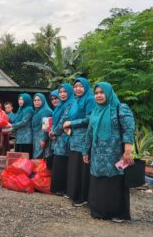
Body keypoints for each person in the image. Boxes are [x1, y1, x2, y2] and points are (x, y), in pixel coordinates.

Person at [84, 82, 135, 222]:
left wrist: (127, 151)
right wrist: (85, 151)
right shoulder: (95, 110)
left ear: (108, 93)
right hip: (97, 154)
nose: (98, 95)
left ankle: (116, 213)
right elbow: (89, 132)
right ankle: (99, 211)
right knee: (98, 181)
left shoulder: (120, 108)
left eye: (101, 92)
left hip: (115, 154)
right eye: (96, 93)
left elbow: (129, 130)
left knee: (113, 182)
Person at [62, 77, 95, 207]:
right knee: (75, 167)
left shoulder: (90, 99)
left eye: (81, 86)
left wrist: (71, 123)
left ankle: (83, 197)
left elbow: (90, 118)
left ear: (86, 87)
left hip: (84, 139)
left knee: (82, 168)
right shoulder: (76, 101)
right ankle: (74, 193)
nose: (78, 89)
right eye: (75, 86)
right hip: (74, 138)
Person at [49, 83, 74, 196]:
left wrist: (54, 132)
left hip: (65, 138)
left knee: (62, 163)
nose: (62, 94)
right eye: (60, 92)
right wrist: (52, 131)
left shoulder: (70, 104)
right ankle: (58, 188)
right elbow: (55, 122)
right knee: (59, 162)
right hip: (57, 139)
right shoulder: (60, 106)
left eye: (64, 92)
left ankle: (62, 188)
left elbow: (64, 121)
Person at [32, 93, 53, 162]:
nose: (36, 102)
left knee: (40, 158)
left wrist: (43, 140)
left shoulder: (46, 111)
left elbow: (46, 127)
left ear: (43, 101)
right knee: (37, 159)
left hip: (42, 138)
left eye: (39, 100)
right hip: (36, 138)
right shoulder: (37, 111)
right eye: (35, 100)